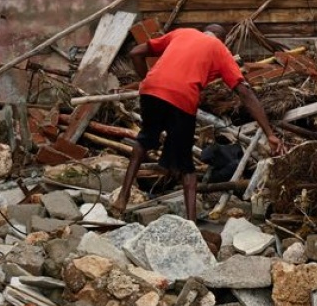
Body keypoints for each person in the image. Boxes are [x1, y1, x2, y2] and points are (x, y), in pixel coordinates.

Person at [110, 24, 284, 221]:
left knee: (144, 140)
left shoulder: (181, 33)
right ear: (223, 40)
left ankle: (122, 199)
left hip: (151, 89)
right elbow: (244, 92)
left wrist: (146, 80)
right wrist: (269, 132)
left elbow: (135, 52)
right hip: (183, 98)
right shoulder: (219, 50)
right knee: (187, 167)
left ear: (204, 32)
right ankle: (192, 224)